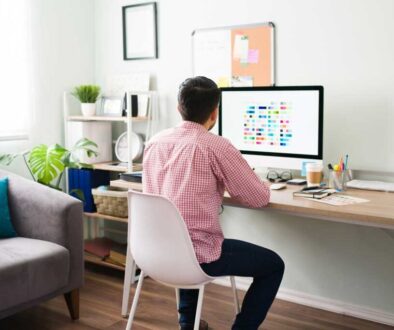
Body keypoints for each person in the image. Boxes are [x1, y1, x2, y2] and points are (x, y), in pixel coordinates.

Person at [143, 76, 285, 330]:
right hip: (196, 256)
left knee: (186, 235)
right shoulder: (214, 146)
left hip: (156, 252)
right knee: (274, 265)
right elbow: (258, 198)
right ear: (215, 112)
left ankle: (188, 323)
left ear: (179, 108)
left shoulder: (155, 142)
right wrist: (259, 181)